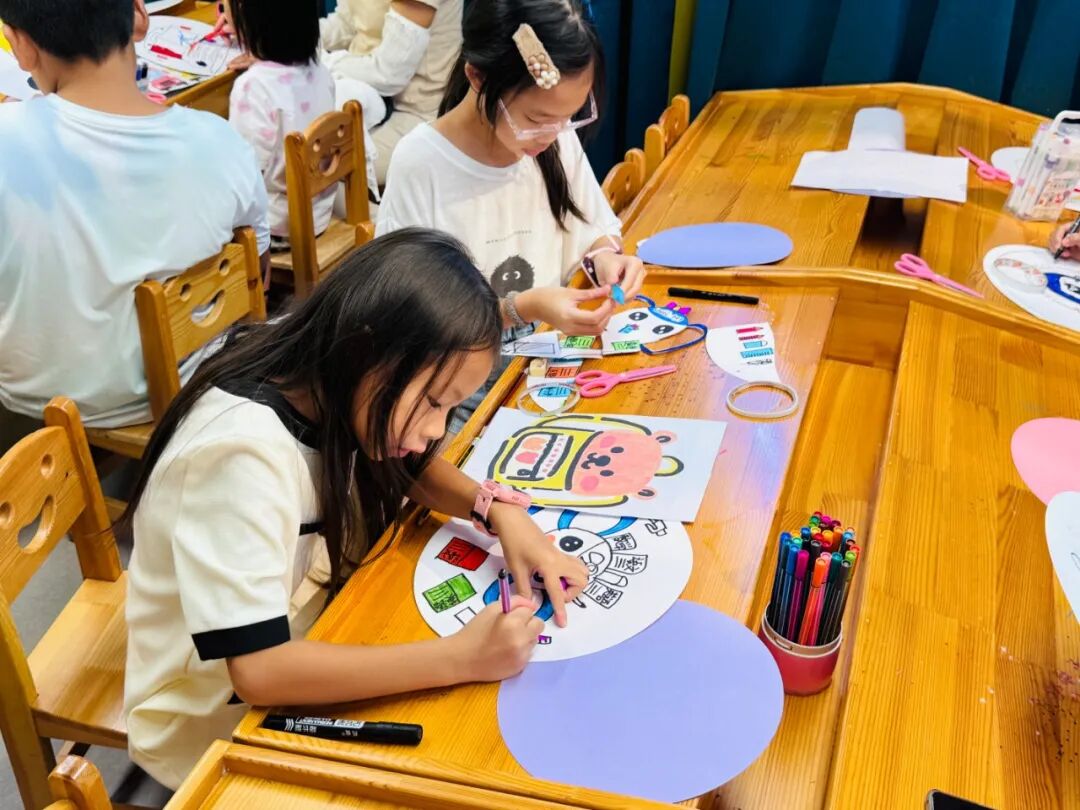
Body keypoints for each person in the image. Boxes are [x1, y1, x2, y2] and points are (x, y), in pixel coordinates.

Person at [123, 229, 588, 789]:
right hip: (207, 713)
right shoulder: (240, 456)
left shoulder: (322, 374)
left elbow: (405, 464)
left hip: (298, 622)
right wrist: (462, 658)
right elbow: (258, 672)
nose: (435, 432)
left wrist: (496, 510)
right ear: (365, 353)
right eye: (432, 402)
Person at [0, 0, 269, 431]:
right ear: (140, 17)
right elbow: (258, 270)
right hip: (197, 391)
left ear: (21, 46)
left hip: (43, 417)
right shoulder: (221, 142)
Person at [376, 0, 645, 430]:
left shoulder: (552, 138)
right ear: (477, 77)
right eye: (537, 118)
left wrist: (605, 258)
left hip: (547, 363)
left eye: (569, 118)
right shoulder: (422, 163)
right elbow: (415, 323)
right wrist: (524, 307)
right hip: (459, 392)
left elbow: (593, 228)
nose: (553, 134)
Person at [225, 0, 336, 250]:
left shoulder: (253, 87)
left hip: (279, 226)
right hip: (319, 213)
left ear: (244, 11)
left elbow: (244, 177)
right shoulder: (319, 70)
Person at [320, 0, 463, 185]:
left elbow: (389, 74)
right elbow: (347, 25)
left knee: (311, 166)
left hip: (415, 114)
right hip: (361, 92)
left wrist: (319, 62)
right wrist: (294, 40)